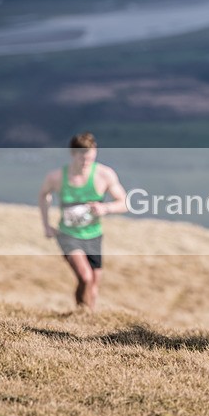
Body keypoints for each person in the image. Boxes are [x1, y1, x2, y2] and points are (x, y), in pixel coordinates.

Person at [38, 132, 127, 312]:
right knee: (85, 277)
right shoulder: (56, 177)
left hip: (94, 235)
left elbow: (124, 202)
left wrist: (105, 209)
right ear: (73, 154)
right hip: (68, 234)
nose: (86, 162)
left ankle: (86, 315)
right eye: (82, 158)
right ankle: (82, 316)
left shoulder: (104, 175)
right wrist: (46, 225)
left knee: (93, 284)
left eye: (90, 158)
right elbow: (43, 195)